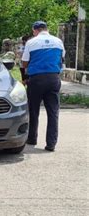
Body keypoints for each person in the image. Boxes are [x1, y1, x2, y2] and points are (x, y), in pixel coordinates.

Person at [21, 21, 65, 151]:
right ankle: (51, 144)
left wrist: (26, 74)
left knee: (33, 111)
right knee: (53, 112)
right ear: (46, 29)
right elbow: (62, 59)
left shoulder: (31, 42)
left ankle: (32, 138)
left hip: (36, 80)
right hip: (53, 78)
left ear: (35, 30)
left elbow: (24, 63)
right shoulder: (58, 41)